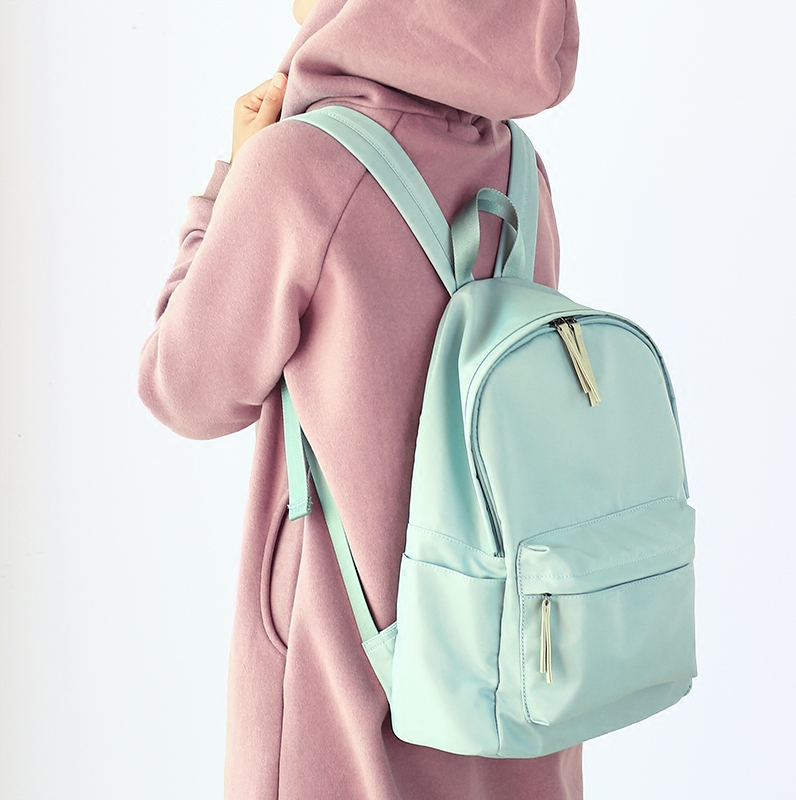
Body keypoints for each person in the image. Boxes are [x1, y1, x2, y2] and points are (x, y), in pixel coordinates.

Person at [138, 0, 582, 797]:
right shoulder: (519, 167)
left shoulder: (298, 169)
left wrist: (224, 193)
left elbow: (185, 389)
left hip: (340, 693)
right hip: (511, 675)